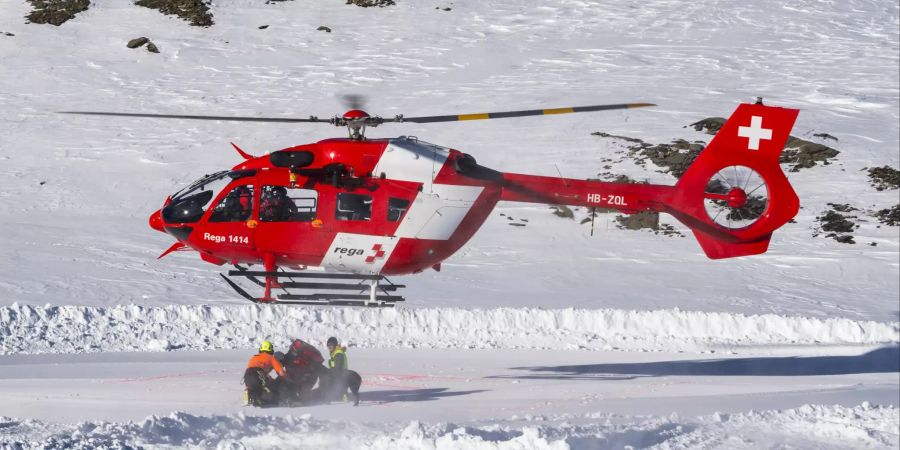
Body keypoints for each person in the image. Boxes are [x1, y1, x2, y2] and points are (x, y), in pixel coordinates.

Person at [279, 338, 326, 404]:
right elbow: (282, 361)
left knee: (304, 395)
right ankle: (293, 398)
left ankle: (317, 395)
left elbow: (322, 371)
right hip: (298, 379)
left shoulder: (303, 357)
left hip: (304, 379)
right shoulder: (291, 355)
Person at [243, 340, 286, 407]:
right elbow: (281, 373)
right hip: (258, 373)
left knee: (254, 388)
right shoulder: (272, 358)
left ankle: (249, 396)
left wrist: (246, 388)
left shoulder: (254, 357)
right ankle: (260, 400)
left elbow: (257, 375)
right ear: (271, 350)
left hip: (247, 375)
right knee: (270, 390)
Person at [324, 336, 361, 406]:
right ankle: (344, 399)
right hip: (343, 375)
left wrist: (329, 372)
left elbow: (337, 368)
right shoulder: (336, 353)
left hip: (341, 375)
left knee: (328, 382)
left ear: (334, 345)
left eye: (330, 345)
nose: (329, 347)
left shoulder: (338, 354)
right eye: (328, 346)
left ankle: (328, 400)